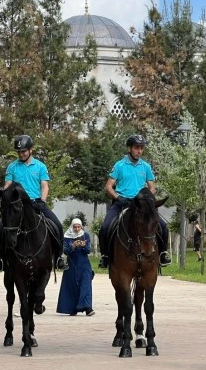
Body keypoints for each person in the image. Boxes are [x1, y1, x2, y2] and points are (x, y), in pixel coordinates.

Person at [98, 134, 171, 268]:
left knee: (162, 226)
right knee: (105, 227)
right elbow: (108, 186)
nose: (139, 151)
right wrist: (119, 198)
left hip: (141, 205)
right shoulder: (119, 165)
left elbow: (152, 187)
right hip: (122, 202)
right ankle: (105, 256)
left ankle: (163, 254)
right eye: (137, 147)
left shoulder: (146, 166)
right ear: (129, 148)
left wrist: (146, 198)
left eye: (141, 148)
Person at [4, 134, 66, 270]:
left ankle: (58, 257)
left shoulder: (40, 166)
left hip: (35, 203)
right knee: (3, 228)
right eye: (19, 152)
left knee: (57, 225)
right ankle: (1, 259)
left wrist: (42, 201)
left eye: (23, 151)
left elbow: (45, 186)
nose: (21, 154)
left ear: (31, 150)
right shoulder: (11, 167)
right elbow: (7, 186)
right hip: (17, 204)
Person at [56, 218, 95, 316]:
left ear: (81, 227)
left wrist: (82, 245)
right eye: (75, 227)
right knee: (72, 286)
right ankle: (73, 308)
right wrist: (73, 246)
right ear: (72, 227)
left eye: (78, 227)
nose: (77, 229)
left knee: (86, 284)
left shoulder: (85, 235)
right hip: (72, 265)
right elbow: (66, 251)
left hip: (84, 264)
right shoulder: (67, 237)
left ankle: (88, 308)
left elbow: (88, 250)